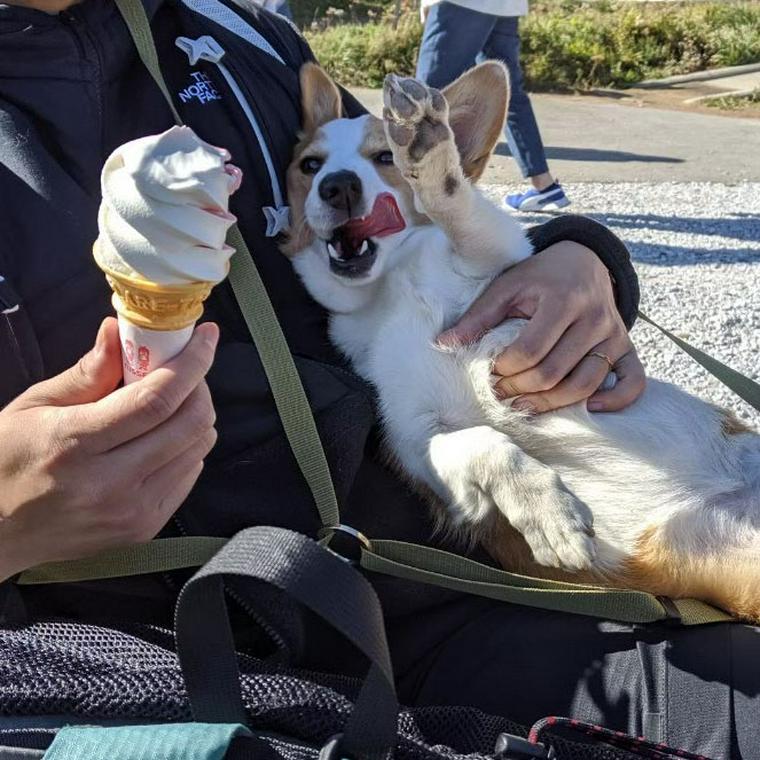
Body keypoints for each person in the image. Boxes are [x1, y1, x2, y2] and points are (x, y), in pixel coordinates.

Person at [0, 0, 757, 756]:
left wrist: (578, 256)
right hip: (162, 668)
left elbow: (420, 191)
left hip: (472, 595)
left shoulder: (241, 39)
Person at [416, 0, 568, 212]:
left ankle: (423, 198)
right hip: (504, 5)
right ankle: (544, 184)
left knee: (429, 96)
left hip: (463, 4)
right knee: (509, 92)